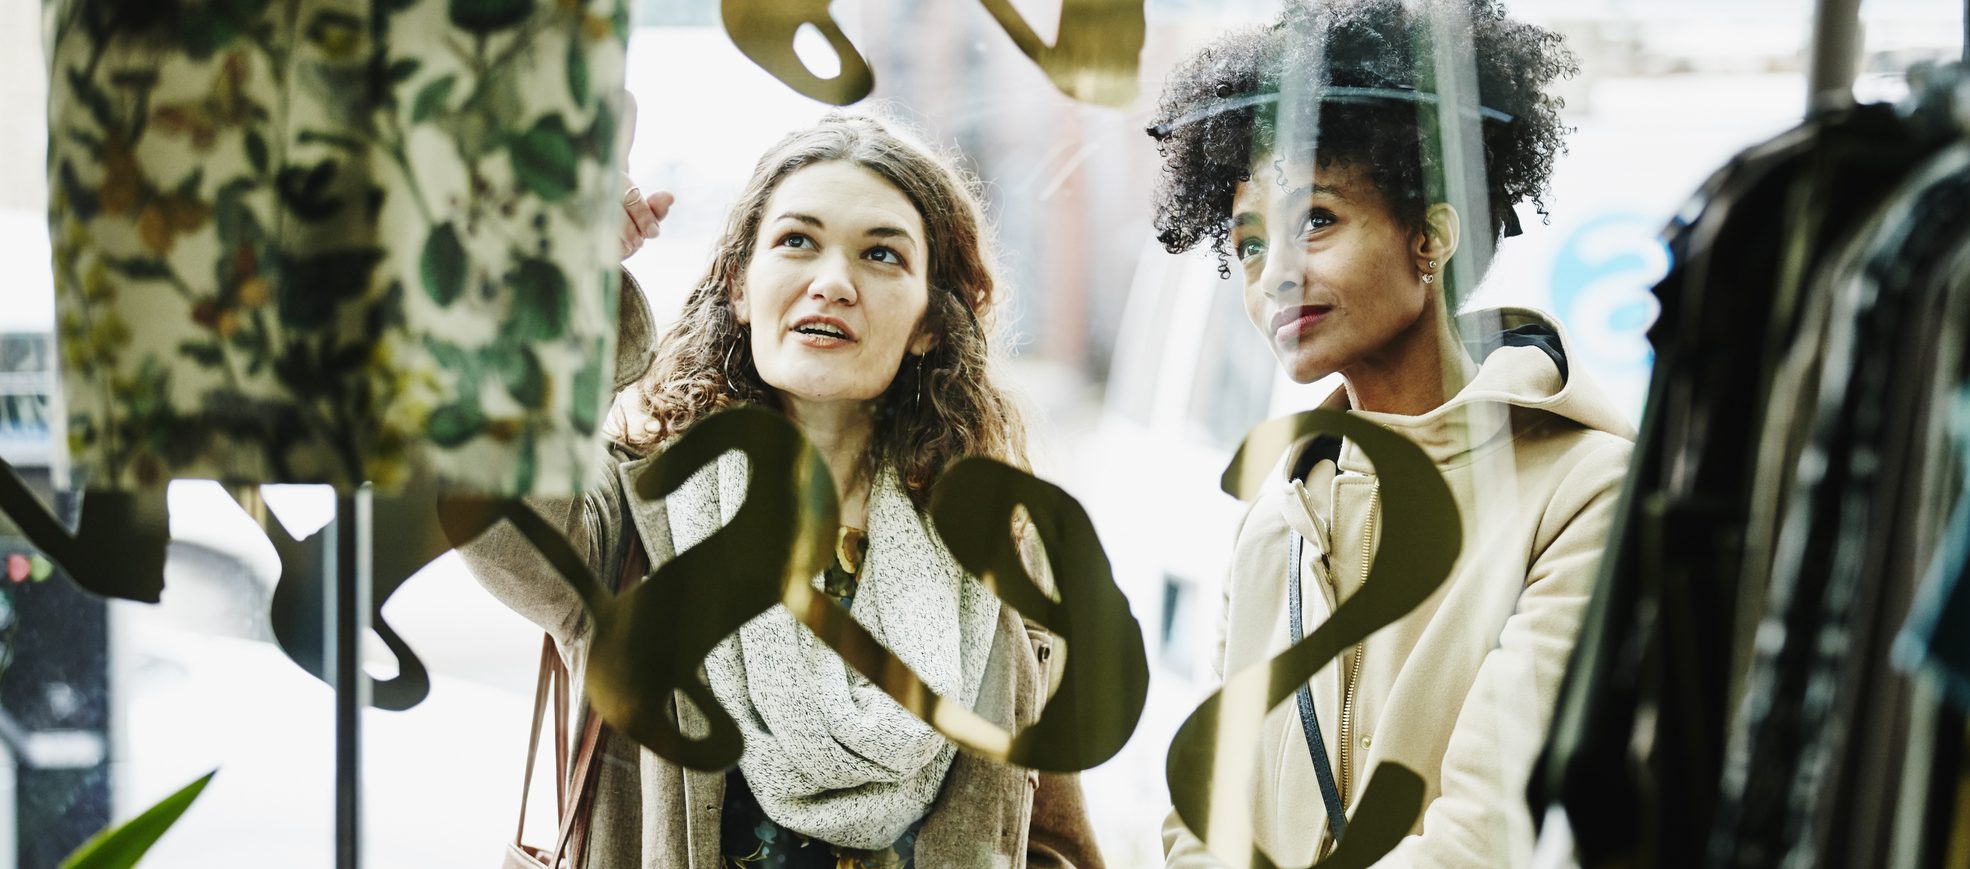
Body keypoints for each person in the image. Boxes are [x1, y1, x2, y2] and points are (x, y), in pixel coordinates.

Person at [462, 111, 1102, 869]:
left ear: (930, 320)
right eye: (797, 240)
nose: (832, 283)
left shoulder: (997, 557)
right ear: (738, 285)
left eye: (882, 255)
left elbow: (1049, 842)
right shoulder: (634, 518)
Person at [1145, 0, 1635, 865]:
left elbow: (1484, 834)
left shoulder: (1583, 490)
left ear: (1431, 234)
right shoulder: (1277, 518)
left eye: (1317, 220)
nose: (1274, 276)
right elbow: (1200, 815)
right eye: (1249, 244)